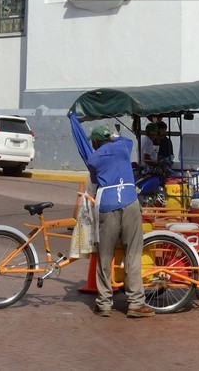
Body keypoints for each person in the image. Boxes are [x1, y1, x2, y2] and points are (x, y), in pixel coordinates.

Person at [70, 117, 152, 319]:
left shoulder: (93, 159)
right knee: (132, 253)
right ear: (110, 139)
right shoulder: (123, 147)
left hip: (106, 205)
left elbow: (95, 175)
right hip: (129, 202)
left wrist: (75, 122)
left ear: (96, 143)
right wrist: (114, 135)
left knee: (104, 256)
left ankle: (104, 303)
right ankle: (135, 304)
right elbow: (126, 140)